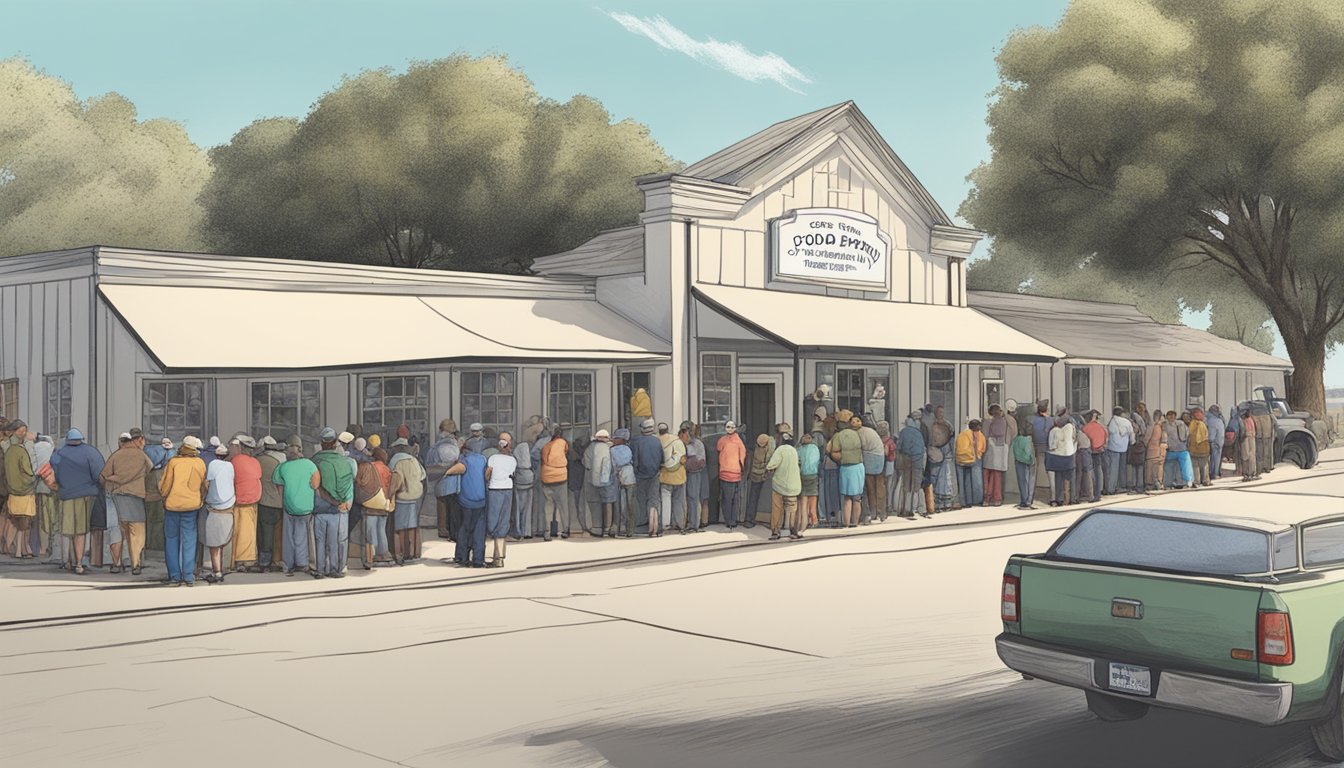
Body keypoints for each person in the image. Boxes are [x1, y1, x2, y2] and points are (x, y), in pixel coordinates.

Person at [51, 429, 105, 575]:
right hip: (85, 495)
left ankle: (67, 560)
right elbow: (99, 473)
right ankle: (79, 563)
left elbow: (54, 471)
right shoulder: (90, 452)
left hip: (65, 495)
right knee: (80, 531)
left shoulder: (59, 453)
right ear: (81, 439)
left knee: (66, 530)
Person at [98, 429, 152, 574]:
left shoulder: (115, 456)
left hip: (117, 498)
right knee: (136, 533)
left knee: (116, 531)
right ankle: (136, 564)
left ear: (120, 442)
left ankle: (117, 564)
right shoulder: (141, 455)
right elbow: (150, 468)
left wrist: (112, 482)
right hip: (136, 498)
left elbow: (103, 476)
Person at [159, 436, 206, 586]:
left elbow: (165, 486)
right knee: (189, 540)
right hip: (191, 506)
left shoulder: (173, 462)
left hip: (172, 505)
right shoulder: (200, 463)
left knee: (172, 540)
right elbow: (203, 486)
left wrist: (164, 496)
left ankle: (174, 575)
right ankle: (188, 575)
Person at [271, 443, 319, 578]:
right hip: (306, 506)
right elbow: (315, 484)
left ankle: (288, 563)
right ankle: (302, 562)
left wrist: (284, 501)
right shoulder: (309, 465)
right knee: (302, 535)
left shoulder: (282, 467)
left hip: (289, 506)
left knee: (288, 537)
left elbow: (279, 487)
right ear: (299, 454)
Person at [311, 428, 354, 578]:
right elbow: (349, 483)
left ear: (321, 443)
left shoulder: (314, 461)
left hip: (319, 507)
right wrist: (346, 502)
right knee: (335, 540)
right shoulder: (344, 462)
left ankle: (320, 569)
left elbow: (312, 485)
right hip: (338, 508)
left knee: (319, 540)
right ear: (335, 443)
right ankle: (335, 569)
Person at [447, 440, 488, 567]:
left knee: (464, 529)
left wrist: (446, 473)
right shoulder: (483, 460)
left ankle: (461, 557)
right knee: (479, 530)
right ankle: (478, 559)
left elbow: (455, 470)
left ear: (466, 450)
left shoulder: (466, 461)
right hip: (481, 501)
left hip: (466, 501)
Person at [200, 445, 236, 584]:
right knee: (222, 542)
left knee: (214, 544)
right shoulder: (230, 466)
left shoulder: (213, 464)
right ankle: (220, 568)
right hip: (229, 507)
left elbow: (207, 483)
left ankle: (217, 571)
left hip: (214, 508)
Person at [227, 436, 262, 573]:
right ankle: (249, 558)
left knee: (240, 531)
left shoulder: (234, 461)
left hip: (240, 501)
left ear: (239, 447)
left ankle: (241, 559)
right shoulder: (255, 462)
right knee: (249, 532)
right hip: (254, 501)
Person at [388, 437, 424, 565]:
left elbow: (392, 478)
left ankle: (400, 554)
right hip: (415, 497)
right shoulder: (414, 460)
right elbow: (422, 475)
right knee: (412, 526)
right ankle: (414, 554)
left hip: (401, 497)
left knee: (399, 527)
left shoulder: (394, 460)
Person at [4, 421, 36, 559]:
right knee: (24, 522)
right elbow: (28, 471)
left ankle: (20, 549)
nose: (24, 433)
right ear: (15, 431)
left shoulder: (8, 450)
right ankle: (20, 550)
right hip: (24, 491)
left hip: (12, 491)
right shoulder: (21, 451)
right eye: (22, 431)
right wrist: (34, 478)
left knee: (16, 521)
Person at [425, 419, 461, 541]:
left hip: (440, 478)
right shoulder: (451, 446)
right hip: (451, 479)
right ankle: (448, 530)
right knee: (450, 505)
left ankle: (443, 529)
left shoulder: (439, 445)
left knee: (442, 504)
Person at [828, 410, 865, 528]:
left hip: (846, 468)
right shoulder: (858, 433)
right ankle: (856, 522)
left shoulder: (838, 436)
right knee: (857, 498)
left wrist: (842, 458)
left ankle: (847, 523)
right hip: (858, 467)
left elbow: (833, 452)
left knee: (847, 498)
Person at [255, 436, 287, 571]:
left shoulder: (257, 461)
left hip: (264, 502)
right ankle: (276, 559)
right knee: (276, 533)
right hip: (278, 503)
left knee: (264, 533)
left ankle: (264, 562)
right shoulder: (279, 462)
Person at [485, 432, 516, 567]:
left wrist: (488, 479)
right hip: (508, 490)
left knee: (492, 521)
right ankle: (500, 557)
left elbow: (487, 474)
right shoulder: (513, 460)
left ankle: (490, 555)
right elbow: (512, 474)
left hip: (494, 490)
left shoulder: (492, 458)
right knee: (503, 522)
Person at [630, 419, 663, 536]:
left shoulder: (637, 442)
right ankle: (655, 525)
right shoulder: (657, 442)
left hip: (640, 476)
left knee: (641, 500)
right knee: (654, 499)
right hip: (654, 475)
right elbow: (661, 460)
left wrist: (636, 472)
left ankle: (643, 525)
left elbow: (635, 460)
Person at [765, 432, 801, 540]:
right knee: (792, 509)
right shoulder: (794, 451)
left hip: (780, 485)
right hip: (794, 485)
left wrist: (769, 469)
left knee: (777, 508)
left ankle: (776, 531)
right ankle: (793, 530)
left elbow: (771, 465)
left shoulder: (780, 450)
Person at [539, 427, 570, 540]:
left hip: (546, 478)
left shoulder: (546, 446)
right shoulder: (563, 442)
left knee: (548, 505)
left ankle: (547, 531)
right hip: (561, 477)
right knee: (563, 506)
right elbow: (566, 452)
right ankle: (565, 530)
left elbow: (543, 459)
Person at [584, 429, 616, 537]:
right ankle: (607, 528)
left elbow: (585, 462)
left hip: (592, 480)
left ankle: (597, 527)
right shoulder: (608, 448)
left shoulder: (590, 448)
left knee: (595, 504)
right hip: (606, 480)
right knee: (608, 503)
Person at [31, 433, 57, 563]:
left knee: (42, 520)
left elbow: (33, 469)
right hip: (52, 486)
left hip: (40, 487)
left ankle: (43, 548)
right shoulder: (52, 448)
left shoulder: (35, 449)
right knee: (53, 518)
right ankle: (52, 545)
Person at [716, 421, 747, 529]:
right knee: (735, 499)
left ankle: (728, 520)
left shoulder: (722, 440)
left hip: (725, 473)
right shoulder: (739, 442)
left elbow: (718, 450)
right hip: (736, 474)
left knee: (726, 499)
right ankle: (733, 520)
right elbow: (742, 456)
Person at [897, 412, 928, 518]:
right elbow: (923, 448)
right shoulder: (919, 433)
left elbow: (899, 447)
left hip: (907, 459)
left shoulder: (903, 432)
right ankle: (917, 508)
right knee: (917, 484)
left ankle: (906, 508)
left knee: (906, 484)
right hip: (918, 459)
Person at [856, 415, 885, 523]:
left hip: (871, 457)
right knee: (880, 487)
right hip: (880, 457)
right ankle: (881, 512)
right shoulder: (872, 432)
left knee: (870, 488)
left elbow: (860, 445)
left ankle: (871, 513)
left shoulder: (860, 432)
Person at [659, 423, 688, 534]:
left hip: (665, 476)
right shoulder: (677, 441)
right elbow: (683, 459)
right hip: (679, 476)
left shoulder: (658, 441)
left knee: (665, 500)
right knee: (679, 501)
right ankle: (680, 524)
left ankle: (665, 524)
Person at [983, 405, 1013, 507]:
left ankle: (988, 497)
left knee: (989, 475)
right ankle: (996, 498)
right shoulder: (1004, 422)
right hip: (999, 450)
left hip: (991, 450)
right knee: (996, 476)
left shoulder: (989, 422)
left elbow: (985, 435)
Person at [926, 406, 956, 512]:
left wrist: (952, 453)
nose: (940, 414)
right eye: (938, 412)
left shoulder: (948, 425)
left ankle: (946, 503)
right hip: (935, 455)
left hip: (947, 455)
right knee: (934, 478)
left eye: (942, 412)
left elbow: (952, 440)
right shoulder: (931, 425)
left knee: (946, 480)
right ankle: (935, 504)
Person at [610, 429, 637, 537]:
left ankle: (620, 527)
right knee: (629, 505)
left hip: (618, 478)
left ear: (622, 439)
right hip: (630, 477)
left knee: (620, 505)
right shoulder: (628, 449)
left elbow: (614, 465)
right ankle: (629, 529)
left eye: (616, 438)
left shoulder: (612, 450)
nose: (614, 440)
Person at [954, 420, 986, 508]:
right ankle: (976, 500)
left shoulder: (962, 434)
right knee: (976, 481)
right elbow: (982, 448)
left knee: (962, 482)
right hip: (972, 459)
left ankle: (963, 502)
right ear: (978, 427)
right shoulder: (979, 435)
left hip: (960, 460)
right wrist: (976, 455)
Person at [1046, 416, 1077, 506]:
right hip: (1069, 457)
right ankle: (1068, 499)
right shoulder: (1071, 429)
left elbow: (1052, 446)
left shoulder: (1054, 431)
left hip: (1057, 458)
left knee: (1058, 479)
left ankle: (1058, 499)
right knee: (1068, 479)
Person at [1103, 407, 1135, 496]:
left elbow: (1108, 434)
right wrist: (1132, 442)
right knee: (1122, 468)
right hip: (1124, 448)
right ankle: (1122, 486)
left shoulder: (1112, 422)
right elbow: (1132, 434)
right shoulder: (1127, 422)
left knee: (1113, 469)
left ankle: (1111, 488)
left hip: (1113, 448)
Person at [682, 421, 707, 533]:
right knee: (689, 498)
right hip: (686, 473)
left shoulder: (696, 444)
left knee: (693, 498)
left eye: (684, 431)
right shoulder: (685, 443)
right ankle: (690, 522)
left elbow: (699, 461)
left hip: (694, 473)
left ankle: (694, 524)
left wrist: (686, 462)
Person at [744, 433, 772, 528]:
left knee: (752, 497)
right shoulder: (766, 452)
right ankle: (750, 518)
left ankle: (749, 519)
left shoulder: (754, 450)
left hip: (753, 475)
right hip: (761, 476)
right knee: (754, 498)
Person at [511, 433, 534, 539]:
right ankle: (527, 531)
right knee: (528, 506)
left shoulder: (516, 450)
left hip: (519, 477)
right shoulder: (527, 447)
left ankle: (518, 530)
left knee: (518, 507)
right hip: (529, 477)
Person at [1081, 410, 1106, 503]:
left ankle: (1089, 493)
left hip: (1090, 451)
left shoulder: (1086, 428)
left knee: (1090, 472)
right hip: (1100, 450)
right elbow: (1105, 437)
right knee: (1099, 471)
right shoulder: (1101, 427)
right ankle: (1098, 492)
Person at [1031, 402, 1054, 503]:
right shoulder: (1050, 420)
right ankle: (1053, 495)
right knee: (1050, 471)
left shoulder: (1033, 420)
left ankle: (1031, 494)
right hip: (1048, 446)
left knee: (1034, 469)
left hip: (1036, 445)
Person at [797, 432, 820, 531]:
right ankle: (813, 519)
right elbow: (818, 461)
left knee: (804, 498)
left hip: (802, 475)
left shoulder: (798, 449)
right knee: (813, 497)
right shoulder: (815, 448)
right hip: (813, 475)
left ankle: (803, 519)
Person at [1162, 411, 1191, 489]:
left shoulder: (1165, 426)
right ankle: (1182, 482)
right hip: (1182, 448)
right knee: (1181, 467)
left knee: (1169, 467)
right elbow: (1188, 433)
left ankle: (1168, 483)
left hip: (1172, 450)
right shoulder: (1181, 423)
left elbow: (1164, 437)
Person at [1012, 417, 1036, 510]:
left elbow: (1014, 450)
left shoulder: (1017, 439)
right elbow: (1028, 452)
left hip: (1019, 462)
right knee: (1030, 482)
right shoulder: (1029, 439)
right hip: (1029, 462)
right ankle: (1028, 502)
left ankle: (1023, 501)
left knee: (1022, 482)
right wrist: (1031, 461)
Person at [1188, 408, 1212, 487]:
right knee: (1204, 465)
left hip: (1193, 449)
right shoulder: (1203, 424)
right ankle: (1205, 480)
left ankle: (1196, 482)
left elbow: (1189, 436)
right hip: (1203, 448)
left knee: (1195, 466)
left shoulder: (1192, 424)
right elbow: (1205, 437)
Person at [1145, 410, 1167, 491]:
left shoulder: (1152, 426)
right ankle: (1159, 482)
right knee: (1159, 467)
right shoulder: (1163, 426)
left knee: (1150, 467)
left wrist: (1145, 444)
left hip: (1152, 449)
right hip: (1162, 450)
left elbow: (1147, 437)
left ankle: (1150, 484)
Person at [1206, 405, 1227, 481]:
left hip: (1216, 442)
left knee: (1214, 459)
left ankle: (1215, 472)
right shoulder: (1215, 420)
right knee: (1215, 459)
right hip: (1217, 442)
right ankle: (1214, 473)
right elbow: (1213, 433)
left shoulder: (1212, 419)